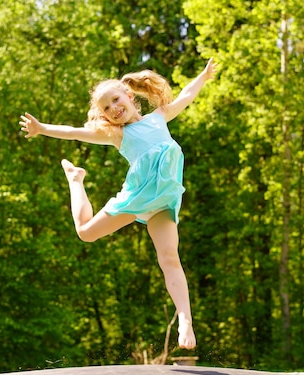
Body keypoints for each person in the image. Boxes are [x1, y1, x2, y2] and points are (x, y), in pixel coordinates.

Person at [19, 58, 217, 349]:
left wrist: (202, 75)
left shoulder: (159, 117)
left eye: (115, 100)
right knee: (85, 232)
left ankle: (185, 319)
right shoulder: (117, 134)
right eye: (106, 108)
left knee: (169, 258)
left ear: (129, 95)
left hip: (163, 201)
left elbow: (186, 95)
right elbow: (74, 132)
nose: (113, 108)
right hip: (137, 198)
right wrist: (41, 128)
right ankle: (76, 180)